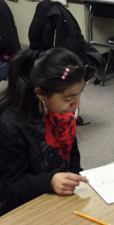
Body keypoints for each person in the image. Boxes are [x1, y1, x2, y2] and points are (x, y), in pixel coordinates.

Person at [0, 48, 88, 215]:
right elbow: (7, 191)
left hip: (59, 201)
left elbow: (72, 164)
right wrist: (49, 181)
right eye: (68, 99)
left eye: (79, 94)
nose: (77, 104)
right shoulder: (10, 125)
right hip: (23, 210)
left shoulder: (63, 115)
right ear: (41, 94)